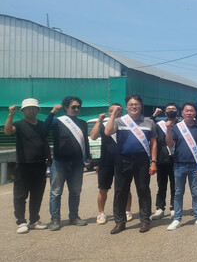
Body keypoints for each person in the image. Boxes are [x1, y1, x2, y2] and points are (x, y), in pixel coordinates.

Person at [104, 95, 158, 234]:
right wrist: (113, 115)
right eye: (131, 104)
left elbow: (153, 143)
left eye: (137, 104)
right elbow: (108, 132)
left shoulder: (149, 122)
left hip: (142, 160)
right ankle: (120, 222)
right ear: (126, 107)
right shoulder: (119, 121)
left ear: (141, 106)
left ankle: (145, 220)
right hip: (122, 160)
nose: (134, 107)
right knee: (120, 191)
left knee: (143, 190)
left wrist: (153, 162)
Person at [44, 96, 91, 231]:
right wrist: (52, 112)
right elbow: (44, 129)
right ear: (66, 108)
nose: (76, 109)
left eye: (78, 107)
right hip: (60, 162)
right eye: (73, 107)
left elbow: (85, 141)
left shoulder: (82, 123)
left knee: (75, 191)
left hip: (77, 162)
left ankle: (74, 216)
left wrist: (88, 156)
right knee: (56, 192)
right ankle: (55, 219)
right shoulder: (57, 121)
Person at [4, 99, 51, 234]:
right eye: (28, 108)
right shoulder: (19, 124)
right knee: (20, 195)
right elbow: (8, 131)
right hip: (23, 164)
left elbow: (45, 142)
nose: (31, 110)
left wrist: (49, 158)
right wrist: (11, 114)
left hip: (40, 164)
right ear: (23, 111)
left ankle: (34, 220)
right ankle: (21, 221)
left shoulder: (42, 125)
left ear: (37, 110)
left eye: (33, 108)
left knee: (37, 194)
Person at [165, 102, 197, 230]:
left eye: (191, 110)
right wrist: (168, 129)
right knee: (178, 193)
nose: (189, 113)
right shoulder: (176, 127)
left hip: (195, 165)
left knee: (196, 192)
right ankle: (177, 218)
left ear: (195, 113)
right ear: (182, 113)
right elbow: (170, 144)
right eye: (186, 111)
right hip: (179, 165)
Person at [90, 103, 133, 225]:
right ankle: (101, 213)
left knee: (125, 188)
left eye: (118, 110)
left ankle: (127, 211)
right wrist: (99, 120)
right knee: (103, 189)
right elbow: (93, 136)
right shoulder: (103, 124)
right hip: (106, 161)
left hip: (123, 161)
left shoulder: (127, 124)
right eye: (111, 111)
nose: (114, 112)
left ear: (122, 112)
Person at [151, 103, 178, 219]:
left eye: (173, 109)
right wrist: (154, 115)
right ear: (165, 112)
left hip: (176, 160)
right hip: (162, 159)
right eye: (169, 109)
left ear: (177, 111)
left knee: (175, 186)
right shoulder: (159, 125)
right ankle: (160, 208)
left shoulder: (181, 125)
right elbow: (149, 125)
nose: (171, 111)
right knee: (161, 185)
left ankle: (174, 207)